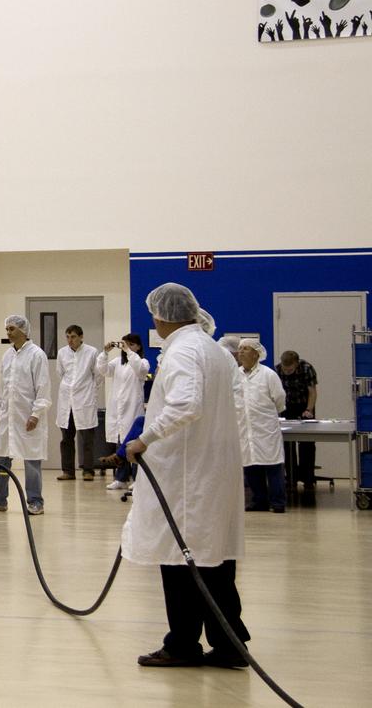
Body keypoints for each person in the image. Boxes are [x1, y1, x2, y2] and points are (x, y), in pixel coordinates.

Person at [123, 283, 251, 669]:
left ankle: (182, 644)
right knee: (214, 560)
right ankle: (230, 642)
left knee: (181, 560)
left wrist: (142, 440)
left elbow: (185, 405)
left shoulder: (182, 350)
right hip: (209, 470)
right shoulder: (211, 348)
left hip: (187, 474)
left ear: (160, 316)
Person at [0, 314, 50, 514]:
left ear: (23, 331)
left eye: (12, 329)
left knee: (32, 461)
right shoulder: (7, 356)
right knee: (2, 459)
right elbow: (3, 387)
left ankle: (35, 501)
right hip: (8, 416)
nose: (8, 332)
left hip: (27, 416)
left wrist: (36, 414)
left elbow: (43, 387)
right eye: (7, 329)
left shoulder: (36, 355)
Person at [237, 338, 287, 513]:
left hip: (265, 428)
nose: (241, 351)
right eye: (240, 348)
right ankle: (259, 501)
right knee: (250, 466)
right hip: (244, 427)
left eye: (246, 348)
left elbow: (279, 399)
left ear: (256, 354)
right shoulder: (235, 375)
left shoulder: (268, 374)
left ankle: (278, 502)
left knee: (273, 466)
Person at [96, 333, 149, 489]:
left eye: (131, 345)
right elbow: (103, 370)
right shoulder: (117, 362)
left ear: (138, 346)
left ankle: (137, 480)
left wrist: (130, 352)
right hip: (118, 409)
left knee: (133, 445)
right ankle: (120, 478)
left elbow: (140, 370)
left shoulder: (142, 362)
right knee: (120, 445)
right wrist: (105, 352)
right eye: (125, 345)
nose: (127, 348)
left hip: (132, 409)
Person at [55, 325, 102, 481]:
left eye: (73, 337)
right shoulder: (62, 353)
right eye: (67, 336)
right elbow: (60, 373)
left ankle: (88, 470)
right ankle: (68, 471)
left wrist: (88, 391)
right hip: (66, 401)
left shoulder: (91, 352)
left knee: (87, 438)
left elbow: (98, 375)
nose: (70, 340)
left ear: (81, 337)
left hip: (84, 400)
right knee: (66, 439)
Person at [276, 350, 319, 489]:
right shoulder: (276, 370)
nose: (287, 372)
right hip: (286, 407)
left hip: (304, 405)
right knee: (287, 444)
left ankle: (308, 478)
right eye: (285, 369)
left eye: (290, 369)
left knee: (307, 444)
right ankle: (291, 478)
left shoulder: (307, 368)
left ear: (296, 364)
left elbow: (312, 392)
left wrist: (309, 410)